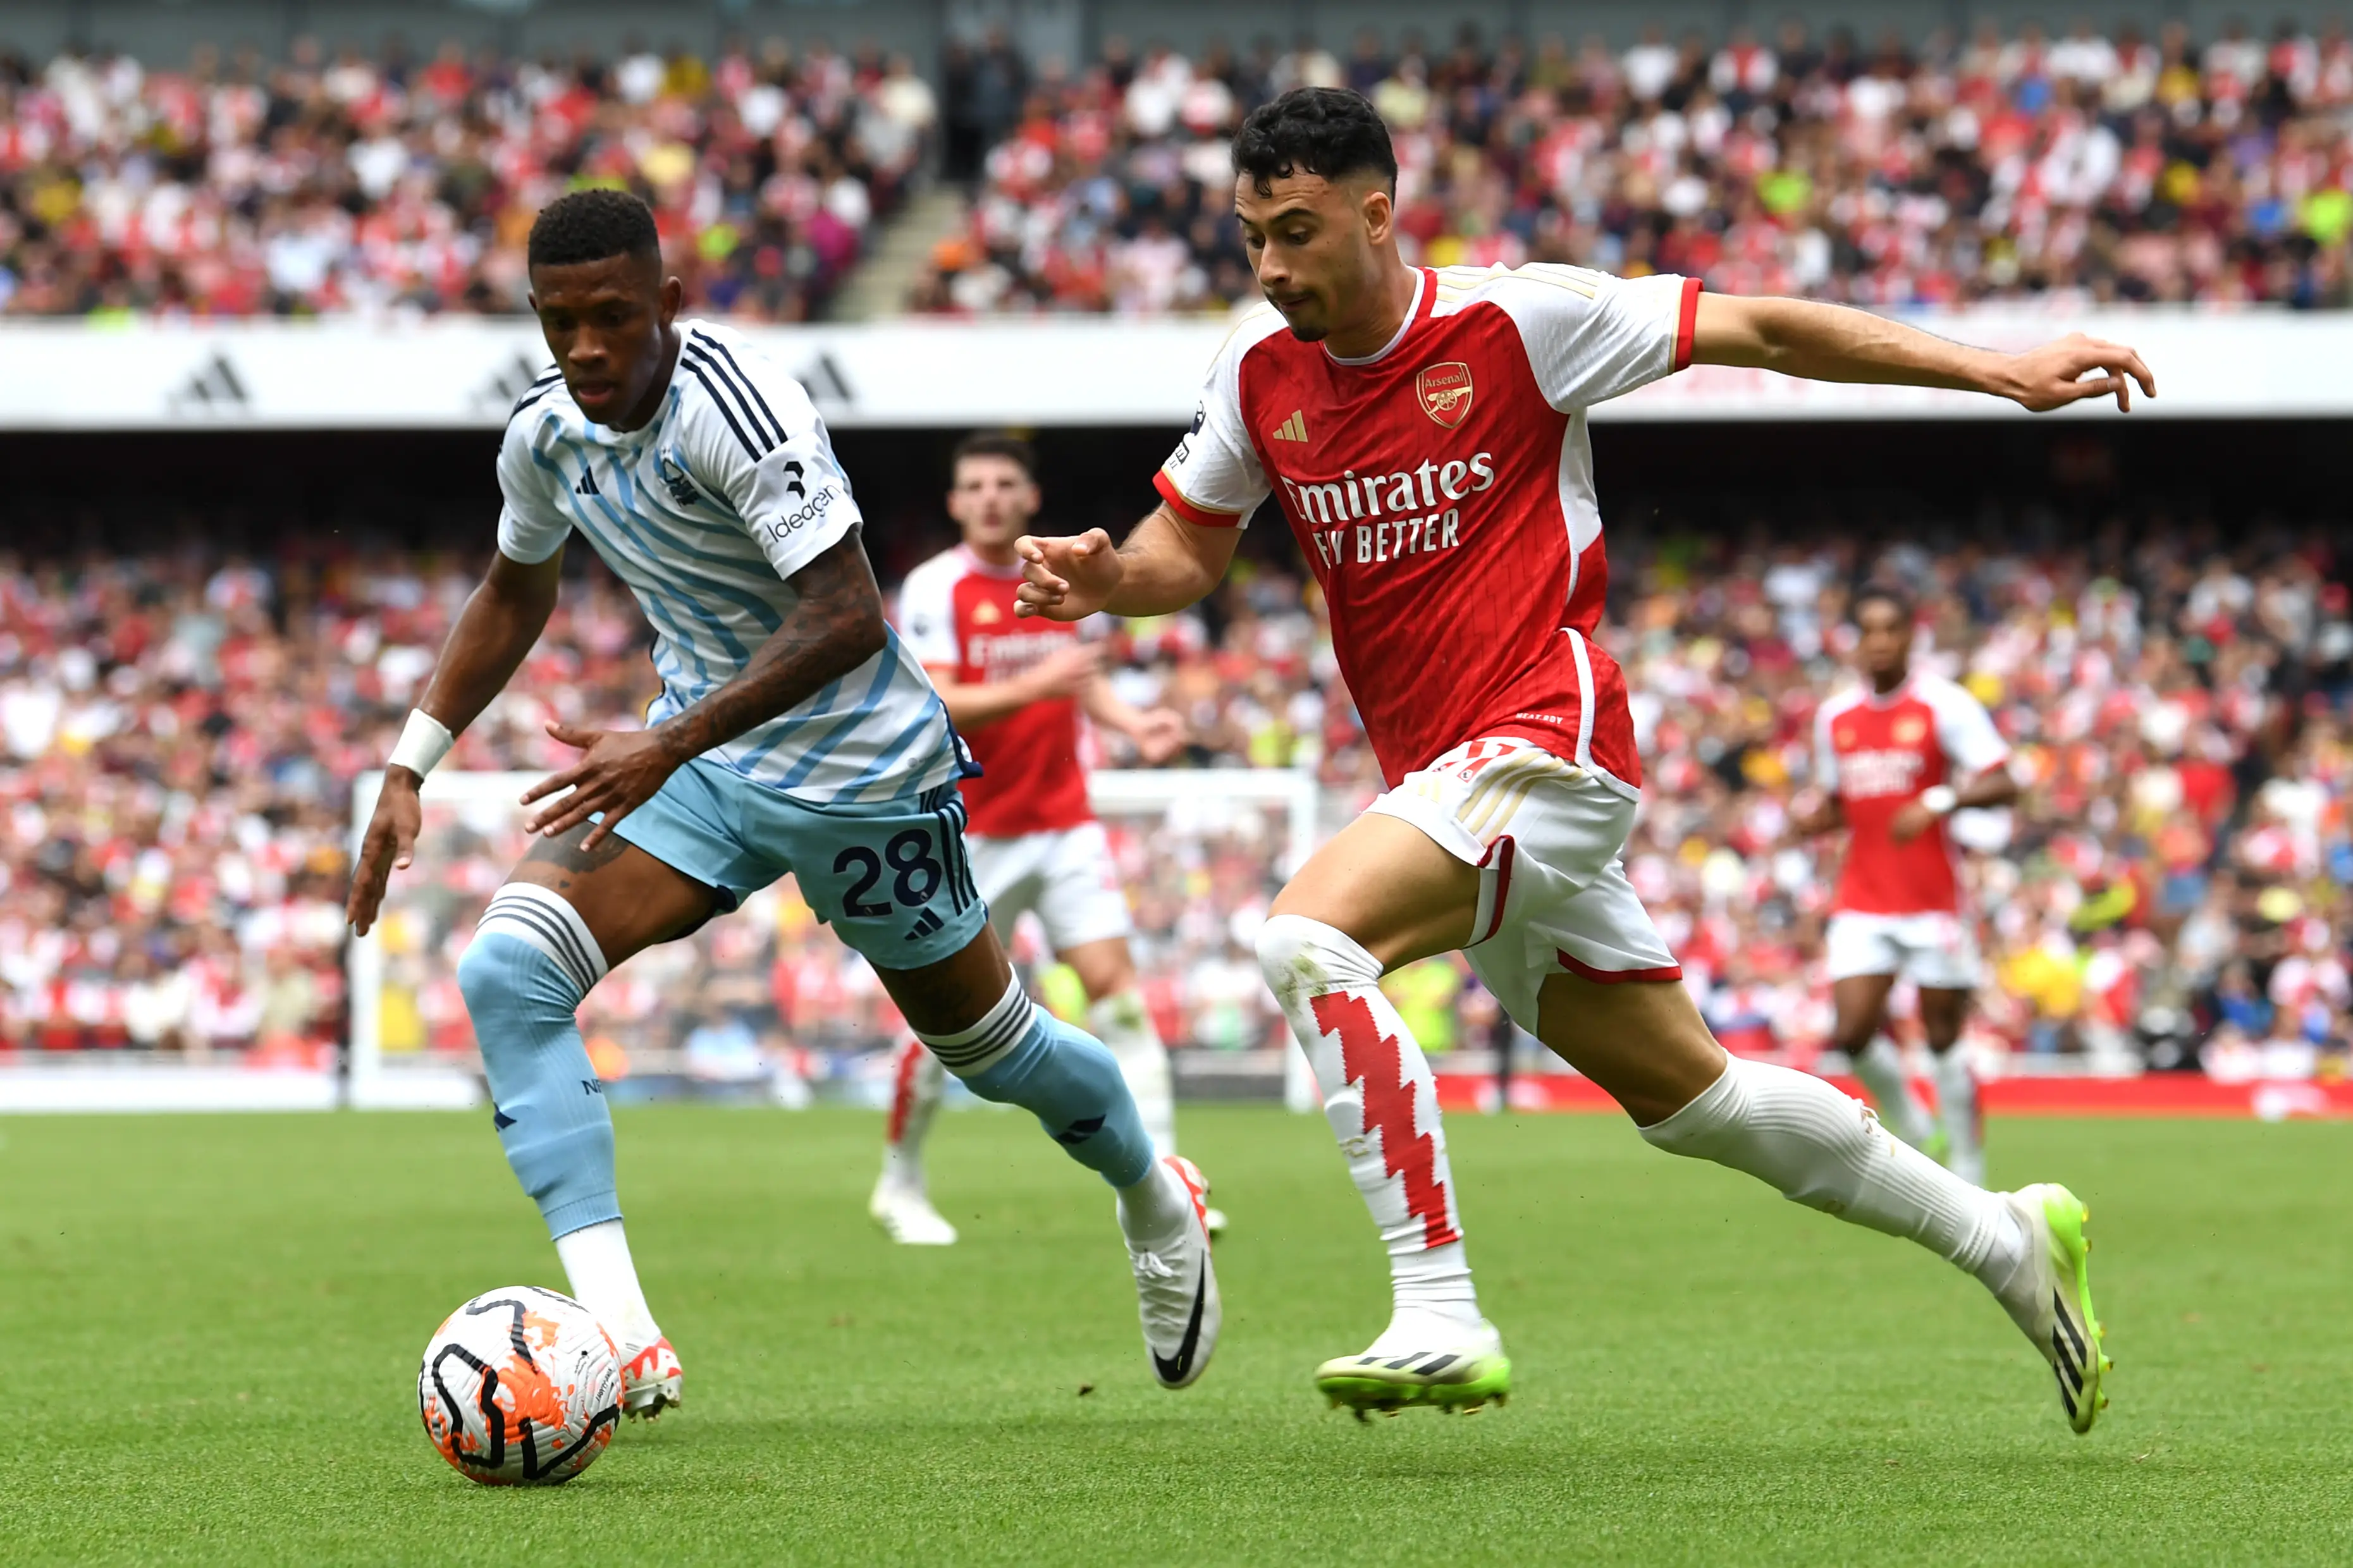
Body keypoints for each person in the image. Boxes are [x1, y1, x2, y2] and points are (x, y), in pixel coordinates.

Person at [1014, 87, 2144, 1429]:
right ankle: (2006, 1237)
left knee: (1307, 941)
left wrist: (1994, 368)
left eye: (1298, 231)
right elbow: (1185, 551)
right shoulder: (1255, 367)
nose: (1270, 265)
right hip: (1442, 779)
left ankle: (1437, 1305)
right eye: (1251, 233)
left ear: (1378, 214)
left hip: (1545, 739)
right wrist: (1106, 578)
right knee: (1697, 1100)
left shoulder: (1518, 319)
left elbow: (1767, 326)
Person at [344, 190, 1222, 1418]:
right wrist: (408, 764)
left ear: (669, 302)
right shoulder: (544, 437)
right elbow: (510, 586)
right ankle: (625, 1343)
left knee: (990, 1050)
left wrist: (669, 737)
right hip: (708, 767)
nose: (585, 347)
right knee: (507, 971)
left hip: (863, 776)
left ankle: (1152, 1195)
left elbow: (849, 612)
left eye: (610, 316)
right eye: (559, 323)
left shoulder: (737, 408)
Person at [876, 432, 1225, 1244]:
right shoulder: (936, 586)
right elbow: (941, 702)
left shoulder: (1056, 573)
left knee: (1124, 1002)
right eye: (975, 485)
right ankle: (899, 1181)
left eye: (1005, 483)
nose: (991, 496)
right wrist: (1037, 683)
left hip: (1065, 826)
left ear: (1030, 498)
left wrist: (1134, 723)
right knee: (945, 1024)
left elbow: (1079, 677)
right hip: (969, 833)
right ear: (956, 502)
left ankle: (1172, 1184)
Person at [1791, 586, 2020, 1184]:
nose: (1880, 642)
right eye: (1868, 631)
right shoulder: (1834, 717)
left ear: (1911, 637)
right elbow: (1846, 804)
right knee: (1850, 1030)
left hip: (1932, 900)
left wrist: (1938, 799)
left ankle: (1969, 1162)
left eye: (1891, 629)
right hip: (1862, 896)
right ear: (1854, 642)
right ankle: (1915, 1124)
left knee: (1943, 1036)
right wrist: (1814, 820)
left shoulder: (1944, 705)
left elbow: (2004, 781)